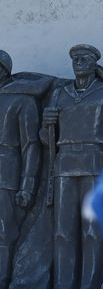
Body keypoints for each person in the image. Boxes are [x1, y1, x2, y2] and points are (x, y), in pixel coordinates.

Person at [42, 44, 103, 289]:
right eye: (75, 59)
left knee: (92, 232)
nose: (78, 62)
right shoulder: (60, 94)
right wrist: (46, 125)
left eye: (84, 58)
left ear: (95, 64)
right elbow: (46, 139)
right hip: (64, 167)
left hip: (96, 165)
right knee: (62, 233)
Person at [0, 50, 40, 289]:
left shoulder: (22, 100)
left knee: (4, 235)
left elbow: (31, 146)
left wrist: (27, 185)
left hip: (6, 175)